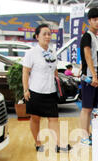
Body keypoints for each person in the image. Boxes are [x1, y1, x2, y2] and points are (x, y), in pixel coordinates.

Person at [22, 24, 71, 153]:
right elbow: (25, 72)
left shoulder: (52, 52)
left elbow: (54, 69)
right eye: (44, 34)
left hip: (50, 91)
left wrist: (57, 83)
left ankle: (59, 144)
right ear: (37, 36)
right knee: (35, 119)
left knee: (54, 118)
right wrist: (26, 90)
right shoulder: (31, 53)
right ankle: (38, 143)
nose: (47, 36)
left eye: (49, 34)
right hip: (36, 91)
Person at [79, 7, 98, 146]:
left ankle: (87, 133)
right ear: (89, 21)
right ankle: (83, 135)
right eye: (95, 19)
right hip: (89, 76)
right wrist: (93, 76)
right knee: (86, 108)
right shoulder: (87, 36)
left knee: (90, 108)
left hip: (94, 75)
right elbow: (87, 56)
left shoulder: (94, 37)